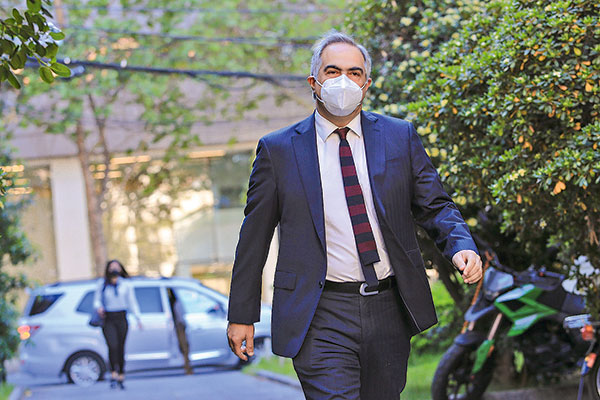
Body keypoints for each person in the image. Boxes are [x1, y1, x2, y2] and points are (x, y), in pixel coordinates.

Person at [227, 30, 483, 400]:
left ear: (367, 84)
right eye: (333, 72)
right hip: (319, 312)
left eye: (355, 72)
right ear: (314, 82)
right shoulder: (279, 150)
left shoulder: (399, 137)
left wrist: (460, 245)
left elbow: (435, 205)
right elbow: (254, 238)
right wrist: (241, 313)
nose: (344, 81)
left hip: (388, 306)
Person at [94, 259, 141, 390]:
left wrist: (138, 318)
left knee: (121, 347)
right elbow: (96, 300)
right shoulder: (102, 284)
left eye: (117, 266)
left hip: (122, 317)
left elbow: (132, 302)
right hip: (108, 317)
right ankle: (113, 373)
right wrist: (99, 307)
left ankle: (121, 373)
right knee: (112, 345)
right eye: (112, 267)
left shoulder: (125, 284)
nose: (114, 269)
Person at [167, 289, 193, 375]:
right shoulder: (175, 303)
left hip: (178, 326)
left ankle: (187, 367)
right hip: (177, 327)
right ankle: (187, 367)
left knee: (184, 347)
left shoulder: (175, 303)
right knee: (184, 347)